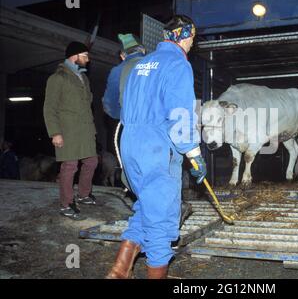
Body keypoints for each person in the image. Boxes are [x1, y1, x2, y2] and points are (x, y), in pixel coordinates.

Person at [106, 15, 206, 279]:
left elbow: (121, 107)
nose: (191, 44)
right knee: (162, 217)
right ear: (185, 36)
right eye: (192, 39)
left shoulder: (141, 64)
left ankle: (119, 271)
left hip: (130, 143)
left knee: (147, 206)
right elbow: (180, 114)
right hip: (156, 147)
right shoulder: (177, 64)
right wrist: (194, 154)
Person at [43, 41, 99, 221]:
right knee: (70, 166)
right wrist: (55, 133)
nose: (88, 60)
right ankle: (66, 204)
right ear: (74, 56)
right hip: (67, 130)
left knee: (92, 161)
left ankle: (83, 194)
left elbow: (87, 103)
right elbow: (49, 108)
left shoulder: (83, 77)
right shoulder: (57, 78)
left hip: (85, 130)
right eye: (85, 56)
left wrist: (92, 129)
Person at [102, 33, 146, 119]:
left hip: (132, 125)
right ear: (143, 50)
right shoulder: (157, 65)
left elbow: (110, 104)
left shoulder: (118, 71)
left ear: (122, 56)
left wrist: (123, 116)